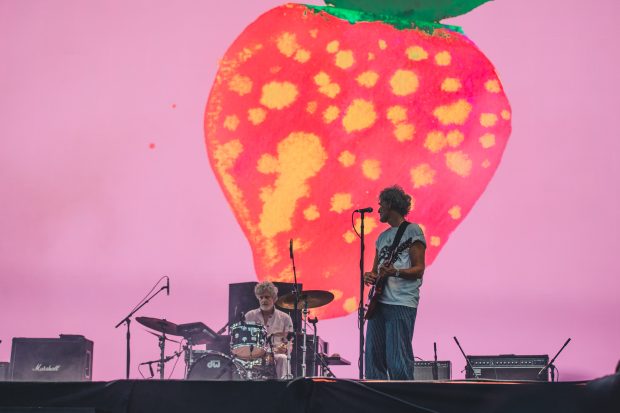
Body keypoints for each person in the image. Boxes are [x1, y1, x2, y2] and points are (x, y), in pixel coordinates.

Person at [363, 185, 426, 380]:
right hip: (378, 304)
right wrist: (370, 276)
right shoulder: (382, 237)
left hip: (401, 303)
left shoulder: (412, 230)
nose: (379, 209)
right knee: (373, 359)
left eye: (381, 205)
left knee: (398, 360)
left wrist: (396, 272)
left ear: (390, 204)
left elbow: (419, 269)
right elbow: (376, 270)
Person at [244, 281, 293, 379]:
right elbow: (245, 339)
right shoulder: (249, 315)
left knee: (283, 358)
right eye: (261, 297)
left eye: (267, 297)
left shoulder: (285, 318)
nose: (263, 300)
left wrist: (285, 349)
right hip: (254, 354)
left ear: (274, 299)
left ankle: (283, 387)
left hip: (276, 354)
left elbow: (289, 343)